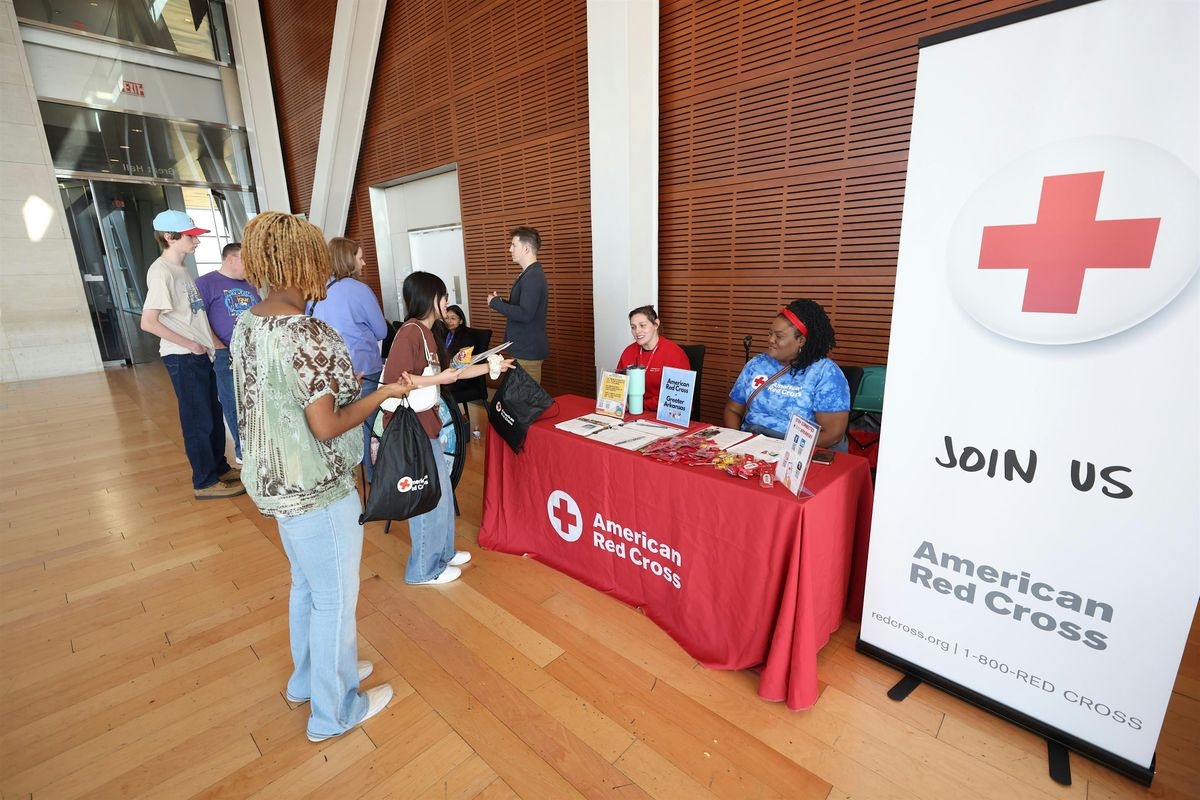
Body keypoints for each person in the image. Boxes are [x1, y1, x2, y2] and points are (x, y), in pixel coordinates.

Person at [231, 211, 413, 743]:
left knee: (307, 585)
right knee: (335, 596)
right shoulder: (308, 332)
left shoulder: (246, 324)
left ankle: (309, 679)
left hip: (274, 485)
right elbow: (327, 423)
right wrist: (380, 394)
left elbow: (279, 400)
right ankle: (335, 713)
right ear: (305, 264)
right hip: (317, 487)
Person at [383, 271, 512, 586]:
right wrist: (437, 379)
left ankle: (442, 552)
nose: (447, 303)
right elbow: (395, 384)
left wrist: (491, 365)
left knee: (440, 492)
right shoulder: (410, 333)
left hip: (428, 423)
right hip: (412, 428)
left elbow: (452, 373)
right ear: (432, 299)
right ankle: (423, 569)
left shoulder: (429, 333)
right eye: (443, 297)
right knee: (427, 497)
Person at [139, 210, 244, 500]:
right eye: (191, 237)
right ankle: (204, 481)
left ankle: (219, 468)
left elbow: (193, 314)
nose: (196, 242)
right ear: (170, 237)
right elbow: (148, 322)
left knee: (211, 413)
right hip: (183, 357)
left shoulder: (182, 270)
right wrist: (192, 344)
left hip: (200, 355)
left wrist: (208, 345)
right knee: (198, 420)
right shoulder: (161, 271)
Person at [308, 237, 389, 481]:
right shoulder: (359, 290)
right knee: (366, 424)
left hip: (327, 372)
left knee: (338, 424)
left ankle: (343, 476)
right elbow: (382, 332)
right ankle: (373, 478)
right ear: (348, 259)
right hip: (363, 368)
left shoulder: (316, 291)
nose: (363, 263)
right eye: (360, 257)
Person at [724, 299, 850, 451]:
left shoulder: (825, 373)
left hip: (797, 450)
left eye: (779, 336)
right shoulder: (757, 364)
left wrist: (782, 451)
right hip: (753, 442)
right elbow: (732, 410)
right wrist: (740, 442)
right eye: (770, 334)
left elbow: (833, 434)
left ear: (801, 340)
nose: (771, 340)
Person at [196, 242, 261, 465]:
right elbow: (199, 319)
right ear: (230, 259)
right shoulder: (206, 283)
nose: (251, 266)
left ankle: (259, 447)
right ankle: (244, 452)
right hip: (226, 354)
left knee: (256, 401)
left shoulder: (250, 285)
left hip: (254, 352)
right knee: (234, 402)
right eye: (247, 260)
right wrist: (218, 347)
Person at [487, 226, 548, 382]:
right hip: (524, 349)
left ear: (526, 249)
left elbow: (525, 314)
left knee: (527, 403)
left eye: (514, 245)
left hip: (528, 350)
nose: (510, 249)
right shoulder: (530, 273)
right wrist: (501, 302)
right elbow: (524, 308)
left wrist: (496, 304)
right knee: (523, 402)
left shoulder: (532, 276)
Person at [615, 305, 690, 411]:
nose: (637, 331)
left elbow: (677, 399)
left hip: (663, 413)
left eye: (642, 325)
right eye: (633, 327)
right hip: (633, 411)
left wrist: (639, 404)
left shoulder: (675, 354)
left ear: (656, 324)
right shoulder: (628, 351)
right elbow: (618, 387)